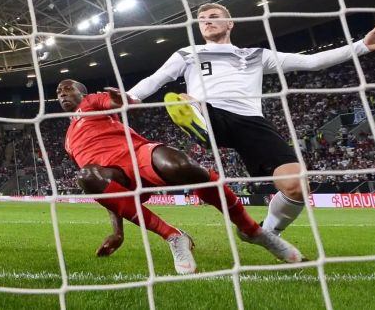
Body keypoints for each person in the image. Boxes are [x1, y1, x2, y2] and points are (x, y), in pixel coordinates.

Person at [126, 2, 375, 237]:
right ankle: (201, 127)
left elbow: (311, 62)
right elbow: (155, 80)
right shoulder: (188, 54)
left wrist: (362, 47)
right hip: (211, 112)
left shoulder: (256, 56)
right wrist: (123, 101)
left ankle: (267, 232)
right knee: (183, 99)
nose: (207, 23)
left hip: (252, 124)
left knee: (297, 185)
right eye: (202, 20)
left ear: (230, 23)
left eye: (213, 18)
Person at [57, 79, 303, 275]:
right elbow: (107, 194)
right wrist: (118, 232)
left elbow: (116, 104)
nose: (61, 94)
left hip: (138, 155)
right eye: (58, 92)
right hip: (118, 176)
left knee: (182, 166)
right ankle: (174, 236)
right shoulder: (68, 141)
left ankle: (253, 231)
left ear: (81, 93)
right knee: (86, 176)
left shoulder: (90, 103)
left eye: (67, 89)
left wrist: (119, 99)